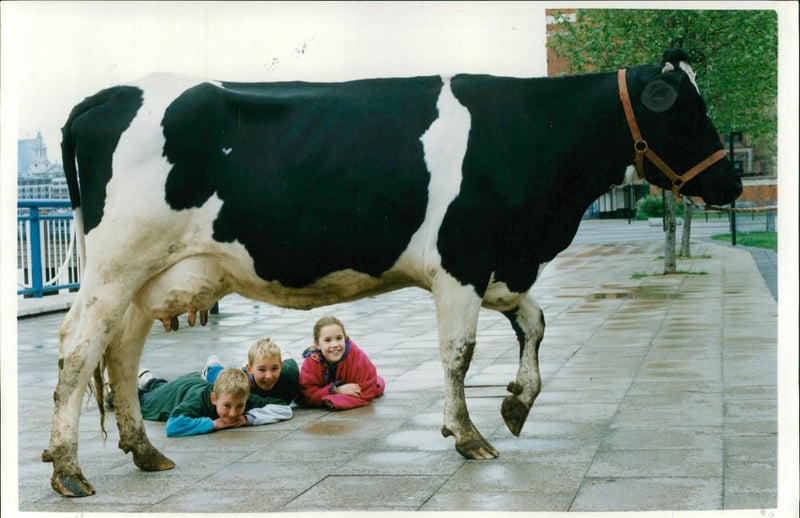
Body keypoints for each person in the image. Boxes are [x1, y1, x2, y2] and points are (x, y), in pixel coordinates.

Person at [134, 367, 292, 437]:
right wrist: (214, 424)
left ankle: (149, 379)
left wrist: (249, 418)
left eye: (240, 406)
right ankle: (117, 388)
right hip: (170, 396)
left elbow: (283, 407)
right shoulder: (196, 401)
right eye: (227, 406)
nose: (233, 413)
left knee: (159, 386)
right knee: (138, 400)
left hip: (191, 383)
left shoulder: (241, 396)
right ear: (214, 399)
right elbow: (173, 426)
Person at [299, 315, 385, 410]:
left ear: (345, 338)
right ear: (317, 344)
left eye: (339, 338)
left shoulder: (358, 357)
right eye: (327, 340)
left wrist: (335, 399)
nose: (335, 345)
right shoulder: (312, 360)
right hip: (332, 389)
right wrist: (336, 390)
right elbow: (307, 393)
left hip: (357, 384)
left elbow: (365, 391)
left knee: (377, 386)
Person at [201, 337, 299, 404]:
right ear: (249, 369)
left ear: (281, 366)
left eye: (274, 368)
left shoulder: (289, 373)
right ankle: (212, 367)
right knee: (223, 379)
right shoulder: (241, 384)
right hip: (245, 375)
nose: (269, 376)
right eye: (262, 370)